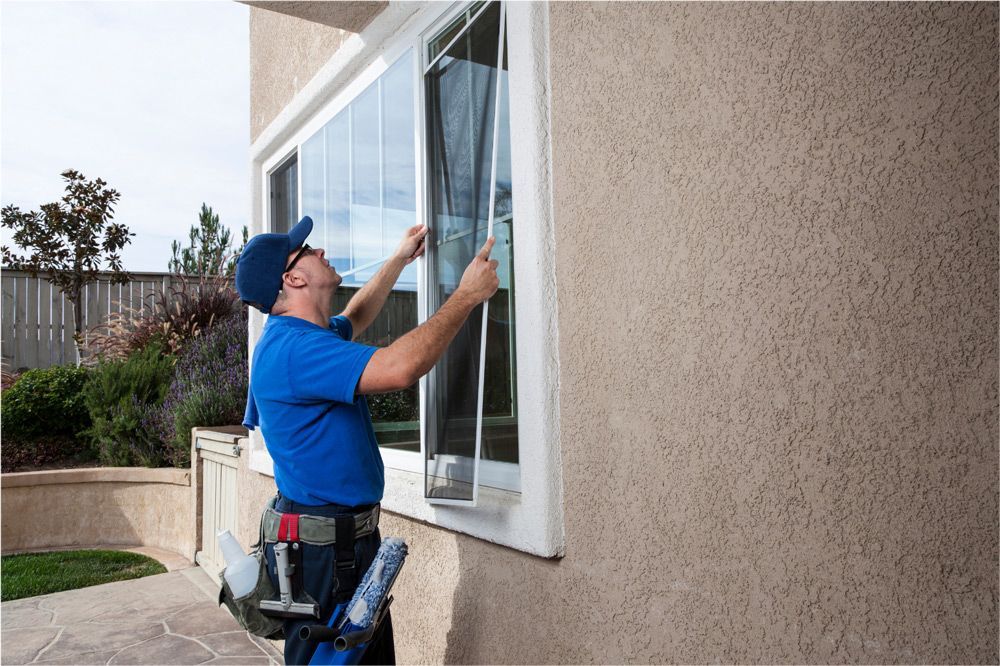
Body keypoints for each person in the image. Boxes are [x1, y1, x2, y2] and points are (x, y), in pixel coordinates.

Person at [235, 215, 499, 665]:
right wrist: (466, 296)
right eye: (308, 251)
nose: (320, 251)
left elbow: (356, 315)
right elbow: (400, 369)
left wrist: (397, 261)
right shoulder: (295, 351)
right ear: (294, 277)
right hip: (323, 558)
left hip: (343, 546)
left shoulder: (307, 335)